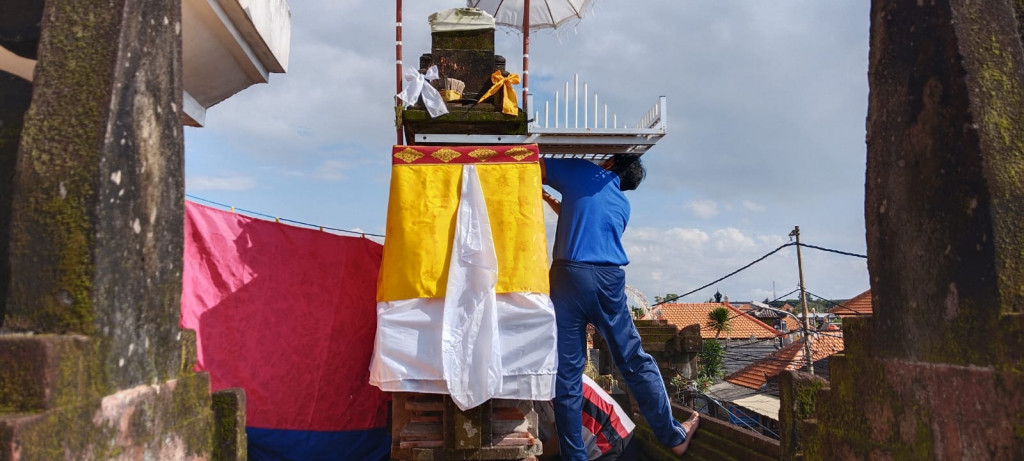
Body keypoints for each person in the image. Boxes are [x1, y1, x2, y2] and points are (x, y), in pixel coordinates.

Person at [541, 155, 698, 460]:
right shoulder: (622, 206)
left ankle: (574, 457)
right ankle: (673, 435)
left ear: (610, 161)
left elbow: (532, 163)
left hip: (568, 276)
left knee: (568, 373)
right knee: (634, 361)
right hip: (608, 280)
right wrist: (552, 200)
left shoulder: (584, 171)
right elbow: (583, 217)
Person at [535, 374, 636, 460]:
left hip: (609, 437)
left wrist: (537, 456)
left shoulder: (546, 386)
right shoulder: (547, 377)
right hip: (608, 434)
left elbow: (562, 439)